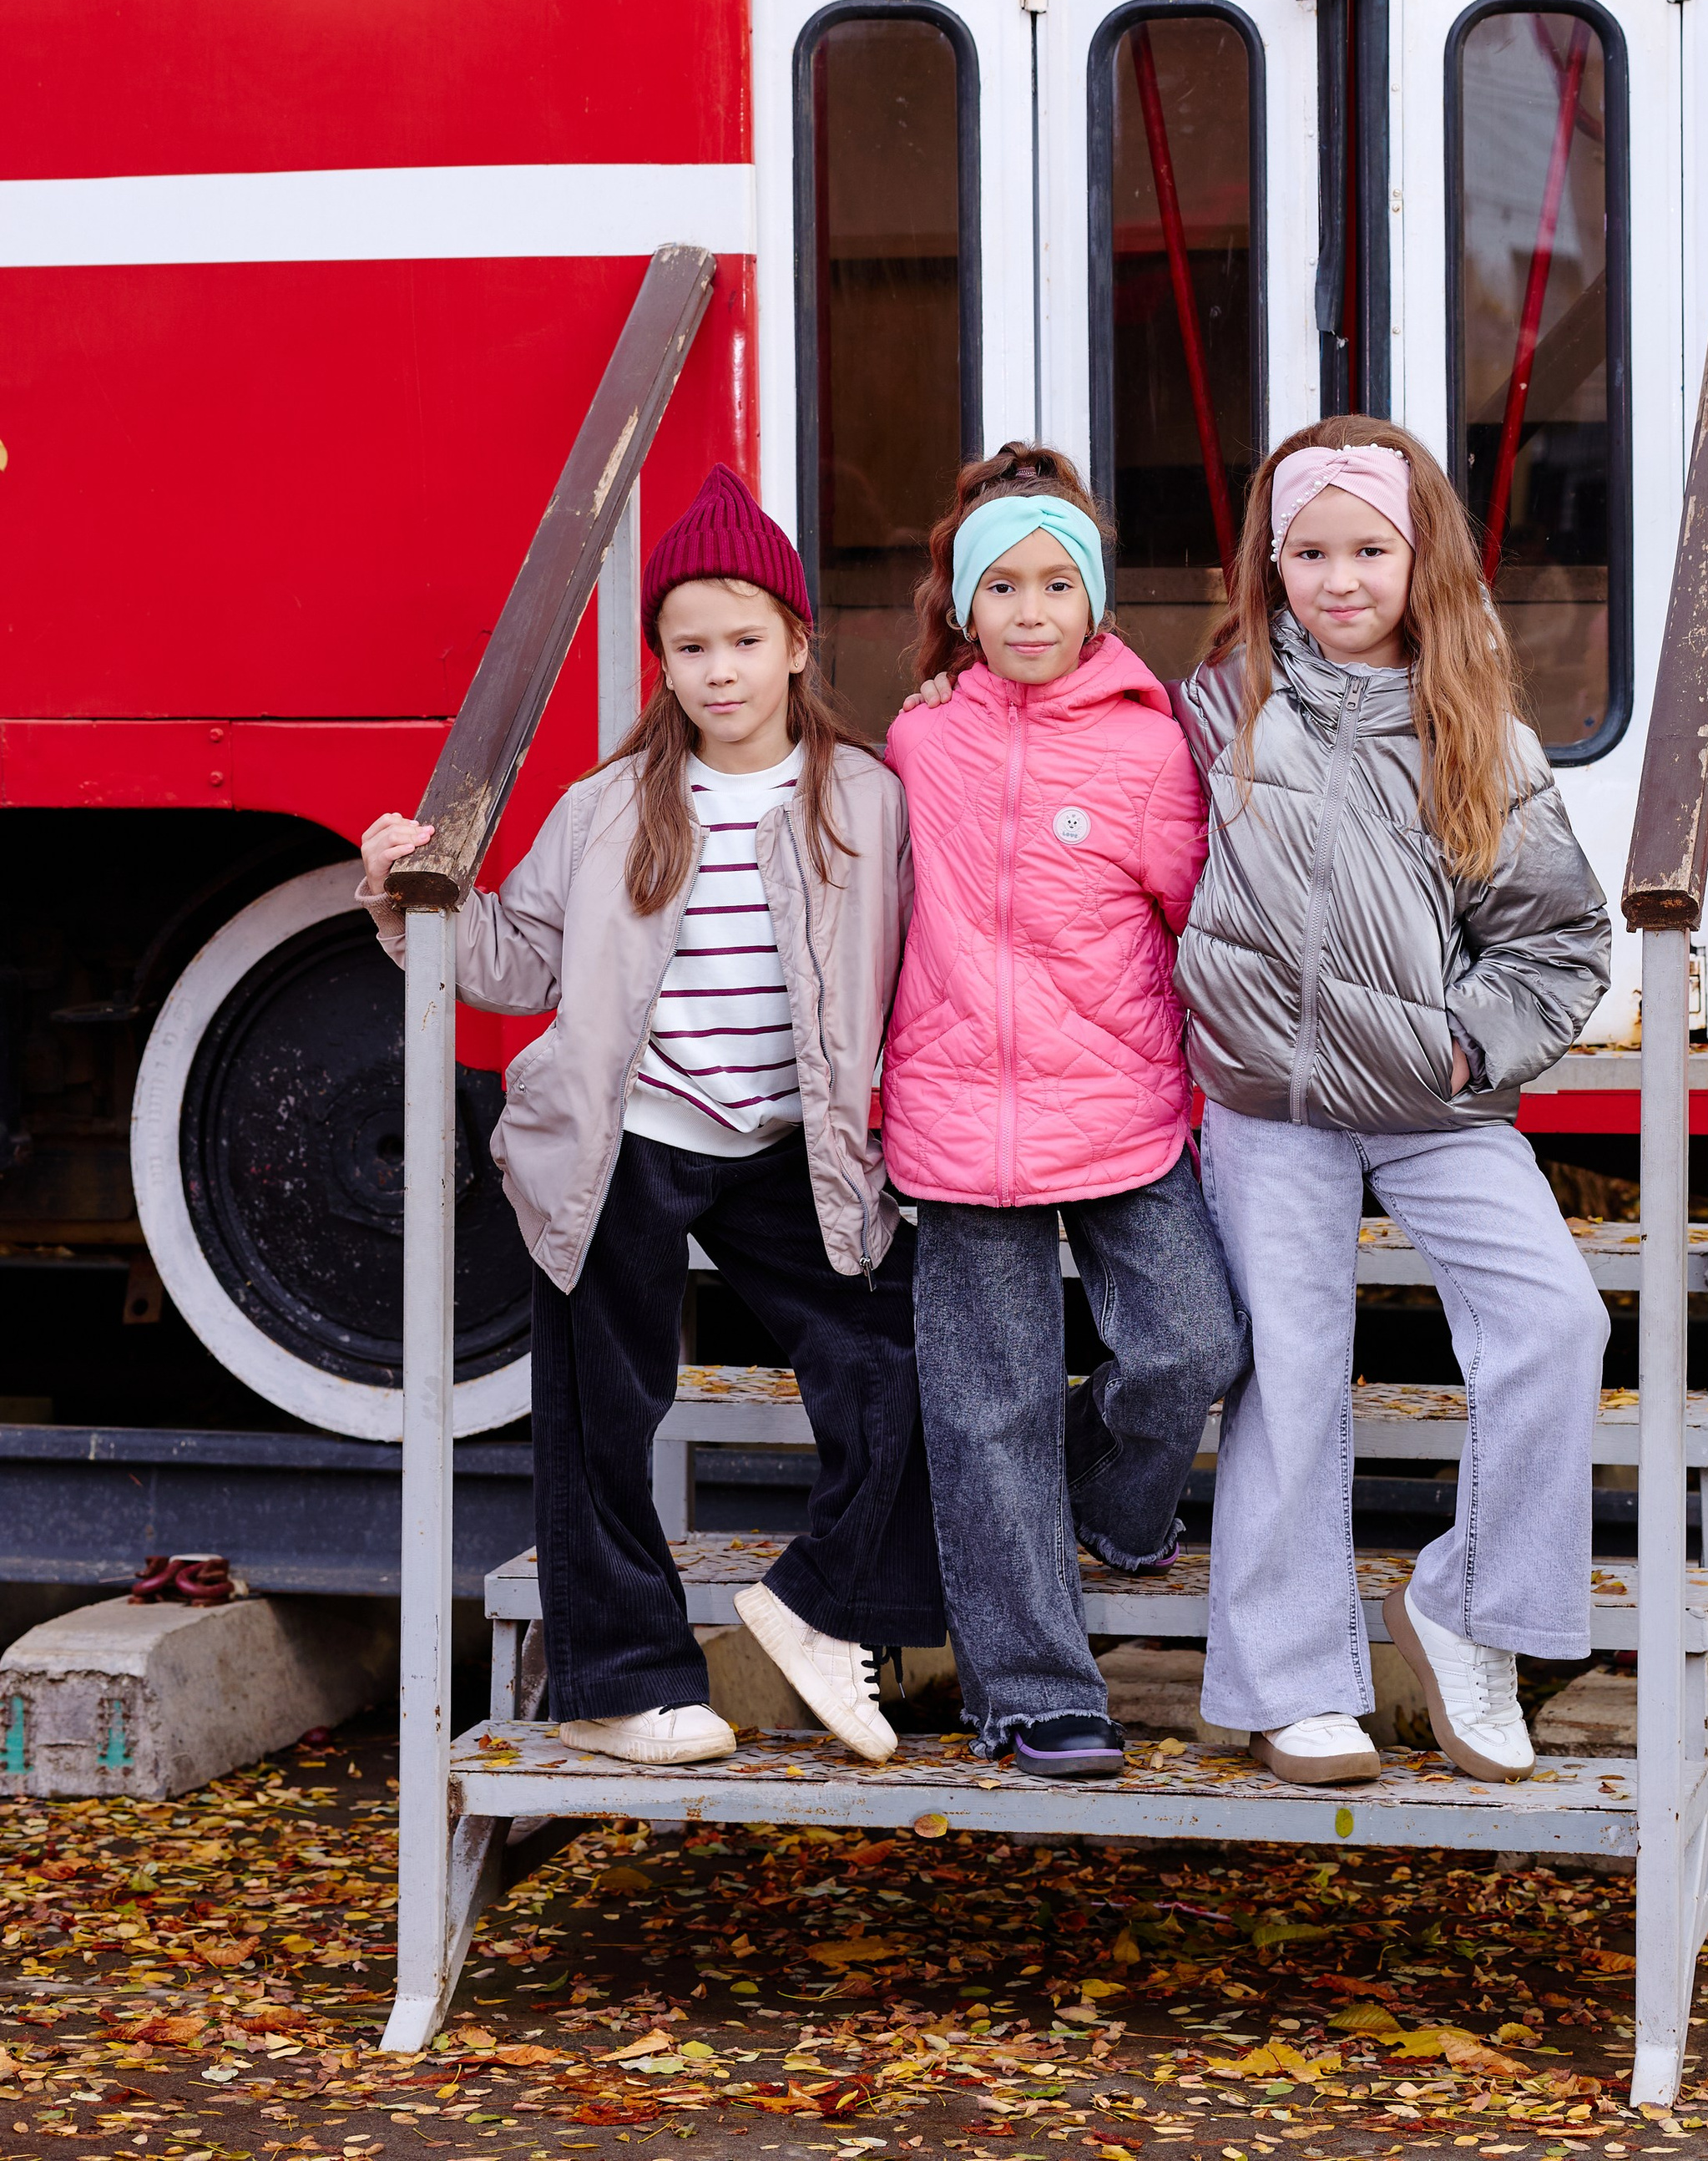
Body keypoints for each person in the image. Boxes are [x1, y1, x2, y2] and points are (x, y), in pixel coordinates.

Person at [357, 467, 942, 1771]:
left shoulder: (868, 798)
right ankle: (622, 1682)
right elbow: (517, 966)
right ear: (660, 663)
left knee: (894, 1362)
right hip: (631, 1137)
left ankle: (818, 1600)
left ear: (798, 645)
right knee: (601, 1407)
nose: (720, 671)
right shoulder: (609, 806)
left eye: (745, 641)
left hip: (794, 1145)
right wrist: (411, 899)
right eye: (690, 647)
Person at [1172, 421, 1613, 1790]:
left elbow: (1559, 944)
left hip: (1429, 1099)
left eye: (1370, 550)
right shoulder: (1217, 711)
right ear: (1271, 565)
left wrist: (1466, 1050)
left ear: (1422, 560)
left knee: (1556, 1320)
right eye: (1309, 553)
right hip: (1267, 1101)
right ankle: (1290, 1684)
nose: (1341, 579)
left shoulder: (1477, 734)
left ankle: (1470, 1608)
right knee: (1289, 1370)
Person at [882, 442, 1246, 1781]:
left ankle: (1113, 1501)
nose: (1029, 612)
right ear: (963, 607)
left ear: (1094, 599)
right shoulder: (920, 739)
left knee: (1193, 1346)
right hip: (956, 1127)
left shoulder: (1153, 747)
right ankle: (1035, 1696)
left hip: (1124, 1110)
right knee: (990, 1417)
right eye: (1002, 588)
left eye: (1055, 585)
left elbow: (1204, 920)